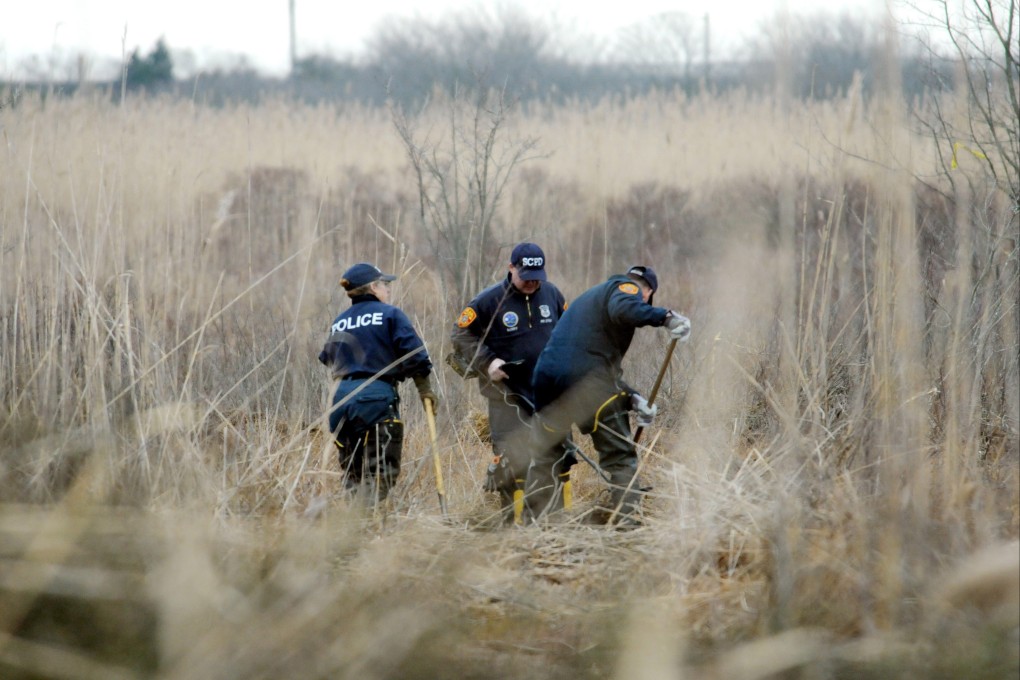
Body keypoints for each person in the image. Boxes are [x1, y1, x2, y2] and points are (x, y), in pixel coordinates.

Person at [525, 265, 691, 527]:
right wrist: (667, 318)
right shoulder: (626, 288)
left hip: (546, 383)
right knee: (620, 456)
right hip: (587, 385)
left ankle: (541, 524)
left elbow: (584, 361)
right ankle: (625, 523)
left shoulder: (589, 299)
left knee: (547, 457)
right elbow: (623, 309)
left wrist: (634, 399)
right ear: (647, 292)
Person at [450, 243, 568, 524]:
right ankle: (510, 529)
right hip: (507, 397)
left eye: (537, 275)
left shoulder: (551, 294)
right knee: (512, 461)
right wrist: (487, 362)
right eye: (525, 274)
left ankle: (552, 527)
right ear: (511, 267)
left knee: (554, 458)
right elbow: (460, 334)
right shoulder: (489, 301)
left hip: (547, 395)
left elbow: (567, 331)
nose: (531, 282)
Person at [318, 262, 438, 506]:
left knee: (353, 473)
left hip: (340, 400)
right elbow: (415, 355)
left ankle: (353, 527)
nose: (388, 289)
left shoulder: (339, 321)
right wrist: (425, 390)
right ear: (373, 287)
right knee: (381, 473)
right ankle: (371, 526)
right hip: (375, 398)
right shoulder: (390, 314)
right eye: (385, 284)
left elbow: (327, 358)